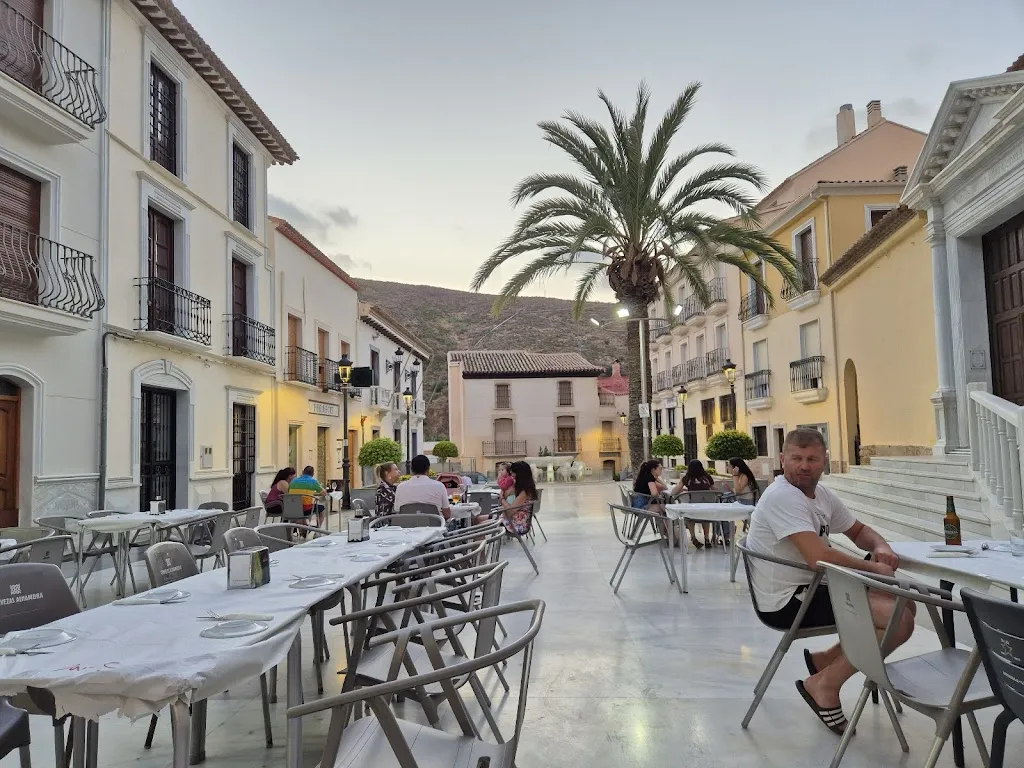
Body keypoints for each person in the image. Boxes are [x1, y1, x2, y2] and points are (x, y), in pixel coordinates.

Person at [746, 428, 914, 735]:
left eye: (811, 459)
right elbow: (818, 557)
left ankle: (826, 660)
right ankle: (824, 685)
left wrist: (881, 547)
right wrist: (875, 569)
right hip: (787, 601)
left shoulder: (820, 495)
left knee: (906, 604)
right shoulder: (783, 496)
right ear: (783, 459)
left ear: (824, 460)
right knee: (898, 619)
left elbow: (858, 531)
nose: (804, 466)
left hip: (814, 588)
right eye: (796, 458)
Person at [671, 459, 716, 548]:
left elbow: (674, 492)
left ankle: (693, 537)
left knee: (688, 515)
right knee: (705, 517)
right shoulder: (707, 477)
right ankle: (707, 539)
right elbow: (715, 490)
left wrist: (684, 490)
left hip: (693, 509)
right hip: (708, 510)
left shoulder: (687, 478)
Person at [393, 454, 451, 519]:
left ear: (411, 469)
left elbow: (397, 511)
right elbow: (447, 514)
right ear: (428, 469)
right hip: (434, 524)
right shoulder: (439, 486)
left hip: (406, 524)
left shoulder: (400, 487)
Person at [500, 460, 537, 536]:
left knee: (480, 523)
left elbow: (509, 511)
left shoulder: (524, 493)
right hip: (511, 520)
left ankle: (480, 543)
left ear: (519, 474)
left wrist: (502, 499)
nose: (511, 475)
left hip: (515, 524)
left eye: (513, 473)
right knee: (479, 520)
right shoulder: (524, 488)